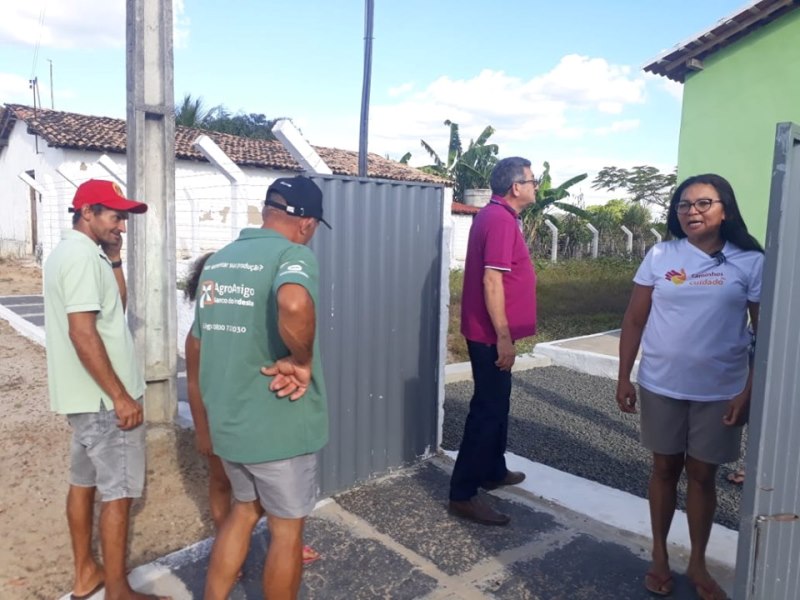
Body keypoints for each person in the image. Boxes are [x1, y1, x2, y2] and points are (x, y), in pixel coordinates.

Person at [616, 174, 763, 600]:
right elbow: (634, 320)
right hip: (661, 383)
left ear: (725, 210)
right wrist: (625, 376)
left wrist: (747, 390)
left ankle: (697, 563)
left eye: (702, 203)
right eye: (684, 205)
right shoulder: (662, 254)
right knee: (664, 469)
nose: (691, 212)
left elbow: (764, 331)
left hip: (721, 389)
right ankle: (659, 556)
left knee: (702, 476)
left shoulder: (750, 261)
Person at [186, 176, 330, 599]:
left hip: (230, 425)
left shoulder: (221, 260)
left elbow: (196, 342)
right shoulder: (293, 255)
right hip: (278, 426)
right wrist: (301, 359)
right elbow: (293, 302)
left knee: (244, 512)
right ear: (306, 224)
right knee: (287, 532)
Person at [44, 179, 169, 600]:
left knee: (83, 483)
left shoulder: (82, 254)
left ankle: (86, 574)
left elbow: (114, 309)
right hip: (103, 400)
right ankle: (118, 591)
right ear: (87, 213)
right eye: (116, 216)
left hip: (85, 398)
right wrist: (120, 396)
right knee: (118, 495)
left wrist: (115, 260)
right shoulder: (80, 258)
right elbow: (82, 332)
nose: (122, 225)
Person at [183, 252, 320, 568]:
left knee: (264, 497)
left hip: (243, 420)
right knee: (222, 483)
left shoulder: (239, 327)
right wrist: (203, 431)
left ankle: (277, 545)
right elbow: (193, 385)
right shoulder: (196, 337)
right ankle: (228, 543)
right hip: (218, 422)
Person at [449, 156, 538, 526]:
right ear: (516, 187)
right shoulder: (500, 220)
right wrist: (503, 337)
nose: (536, 186)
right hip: (491, 336)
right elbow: (492, 281)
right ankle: (462, 493)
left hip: (493, 333)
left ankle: (493, 470)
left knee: (498, 404)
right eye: (533, 181)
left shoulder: (498, 216)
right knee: (486, 411)